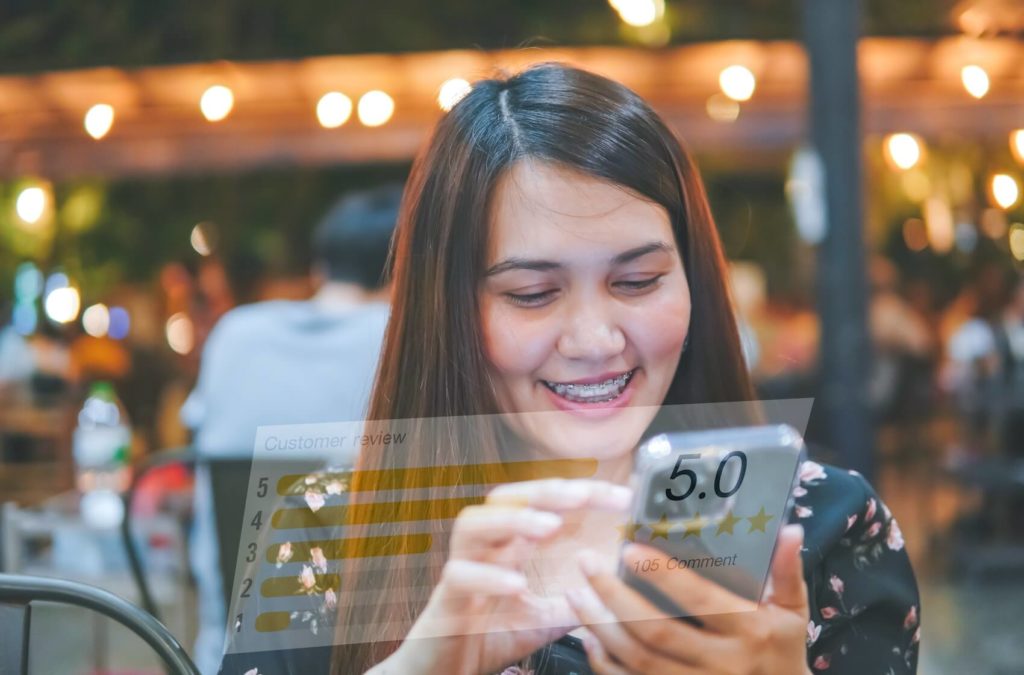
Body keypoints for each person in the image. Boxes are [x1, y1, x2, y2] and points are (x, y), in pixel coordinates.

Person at [221, 63, 919, 675]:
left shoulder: (820, 530)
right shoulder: (331, 529)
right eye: (532, 294)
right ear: (449, 310)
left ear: (693, 280)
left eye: (639, 280)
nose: (594, 339)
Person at [183, 184, 400, 674]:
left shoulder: (235, 334)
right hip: (352, 652)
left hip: (225, 646)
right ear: (409, 273)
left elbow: (200, 436)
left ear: (320, 269)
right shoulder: (398, 343)